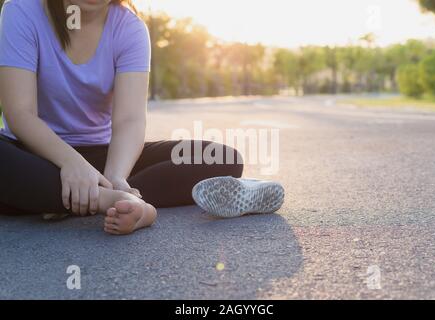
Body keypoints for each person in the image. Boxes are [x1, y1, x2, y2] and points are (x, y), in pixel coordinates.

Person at [0, 0, 284, 235]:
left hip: (104, 158)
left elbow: (129, 120)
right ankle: (115, 202)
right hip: (34, 154)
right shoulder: (21, 11)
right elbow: (19, 113)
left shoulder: (130, 29)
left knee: (220, 158)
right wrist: (72, 164)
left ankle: (83, 196)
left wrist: (116, 176)